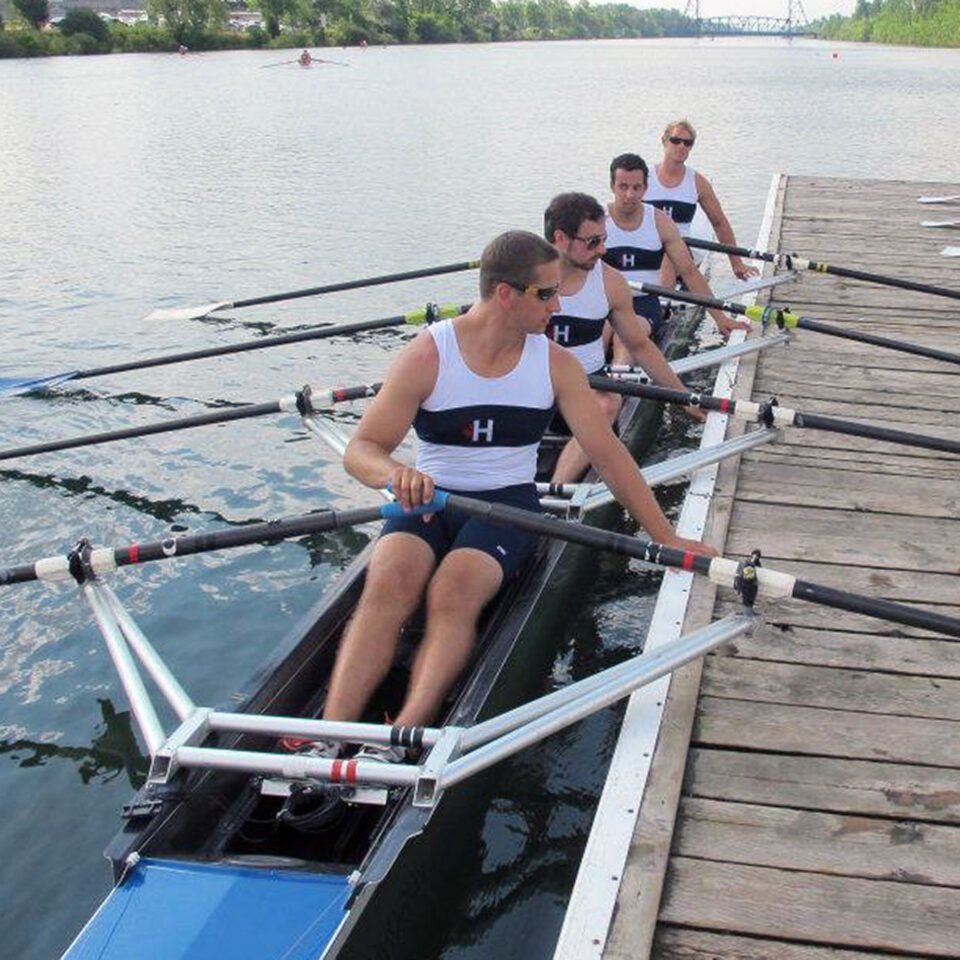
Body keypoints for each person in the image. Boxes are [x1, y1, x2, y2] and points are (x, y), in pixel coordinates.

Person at [311, 231, 714, 763]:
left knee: (453, 592)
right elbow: (361, 449)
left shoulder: (554, 363)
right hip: (429, 501)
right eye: (546, 294)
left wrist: (665, 538)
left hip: (507, 506)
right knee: (387, 581)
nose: (559, 304)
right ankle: (327, 737)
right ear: (506, 294)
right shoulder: (429, 353)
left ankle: (402, 738)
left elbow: (610, 456)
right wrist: (394, 472)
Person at [544, 192, 707, 483]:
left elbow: (640, 346)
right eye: (593, 242)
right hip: (535, 390)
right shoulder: (523, 280)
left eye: (604, 239)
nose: (603, 250)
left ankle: (553, 491)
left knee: (607, 404)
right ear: (560, 238)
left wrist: (683, 398)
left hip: (586, 392)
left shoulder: (611, 282)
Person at [603, 153, 748, 344]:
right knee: (598, 338)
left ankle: (618, 369)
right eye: (623, 187)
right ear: (612, 186)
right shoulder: (597, 221)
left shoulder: (661, 222)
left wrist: (720, 318)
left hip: (643, 303)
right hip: (605, 303)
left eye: (636, 188)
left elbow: (689, 272)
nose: (629, 195)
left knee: (626, 340)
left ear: (645, 188)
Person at [646, 119, 759, 283]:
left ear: (691, 146)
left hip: (679, 248)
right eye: (675, 140)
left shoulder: (698, 183)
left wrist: (736, 263)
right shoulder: (644, 178)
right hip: (645, 245)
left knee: (667, 254)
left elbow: (719, 223)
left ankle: (662, 301)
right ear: (664, 141)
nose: (681, 146)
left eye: (687, 143)